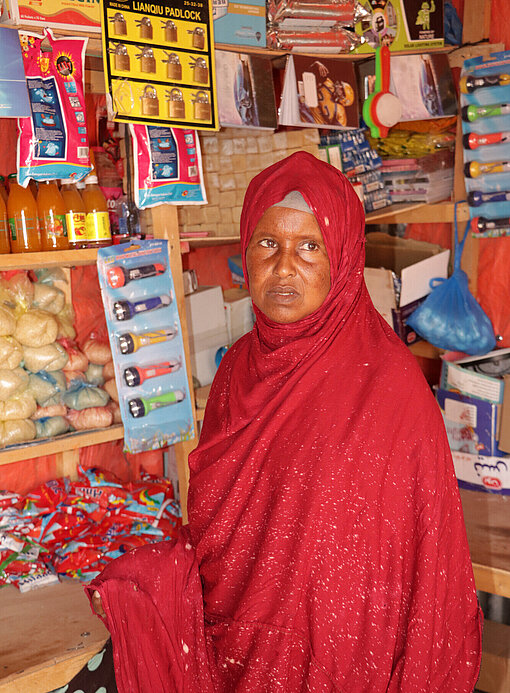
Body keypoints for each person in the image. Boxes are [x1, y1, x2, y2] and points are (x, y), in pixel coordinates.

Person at [87, 151, 482, 692]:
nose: (284, 268)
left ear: (342, 258)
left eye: (309, 247)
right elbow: (219, 527)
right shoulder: (239, 370)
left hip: (343, 654)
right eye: (268, 244)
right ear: (246, 250)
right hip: (239, 646)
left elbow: (410, 561)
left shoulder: (390, 388)